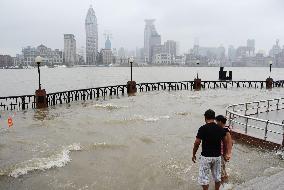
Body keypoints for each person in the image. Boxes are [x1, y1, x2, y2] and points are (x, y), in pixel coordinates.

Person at [192, 109, 231, 190]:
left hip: (206, 157)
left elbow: (197, 142)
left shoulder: (202, 128)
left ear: (205, 118)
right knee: (217, 177)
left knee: (204, 178)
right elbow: (226, 141)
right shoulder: (220, 128)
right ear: (214, 117)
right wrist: (226, 153)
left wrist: (193, 154)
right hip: (217, 157)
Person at [215, 115, 233, 185]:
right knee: (223, 169)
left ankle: (223, 186)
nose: (216, 123)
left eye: (217, 122)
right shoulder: (225, 129)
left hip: (222, 154)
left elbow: (229, 142)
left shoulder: (225, 130)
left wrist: (227, 154)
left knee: (221, 171)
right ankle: (227, 183)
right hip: (222, 153)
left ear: (220, 121)